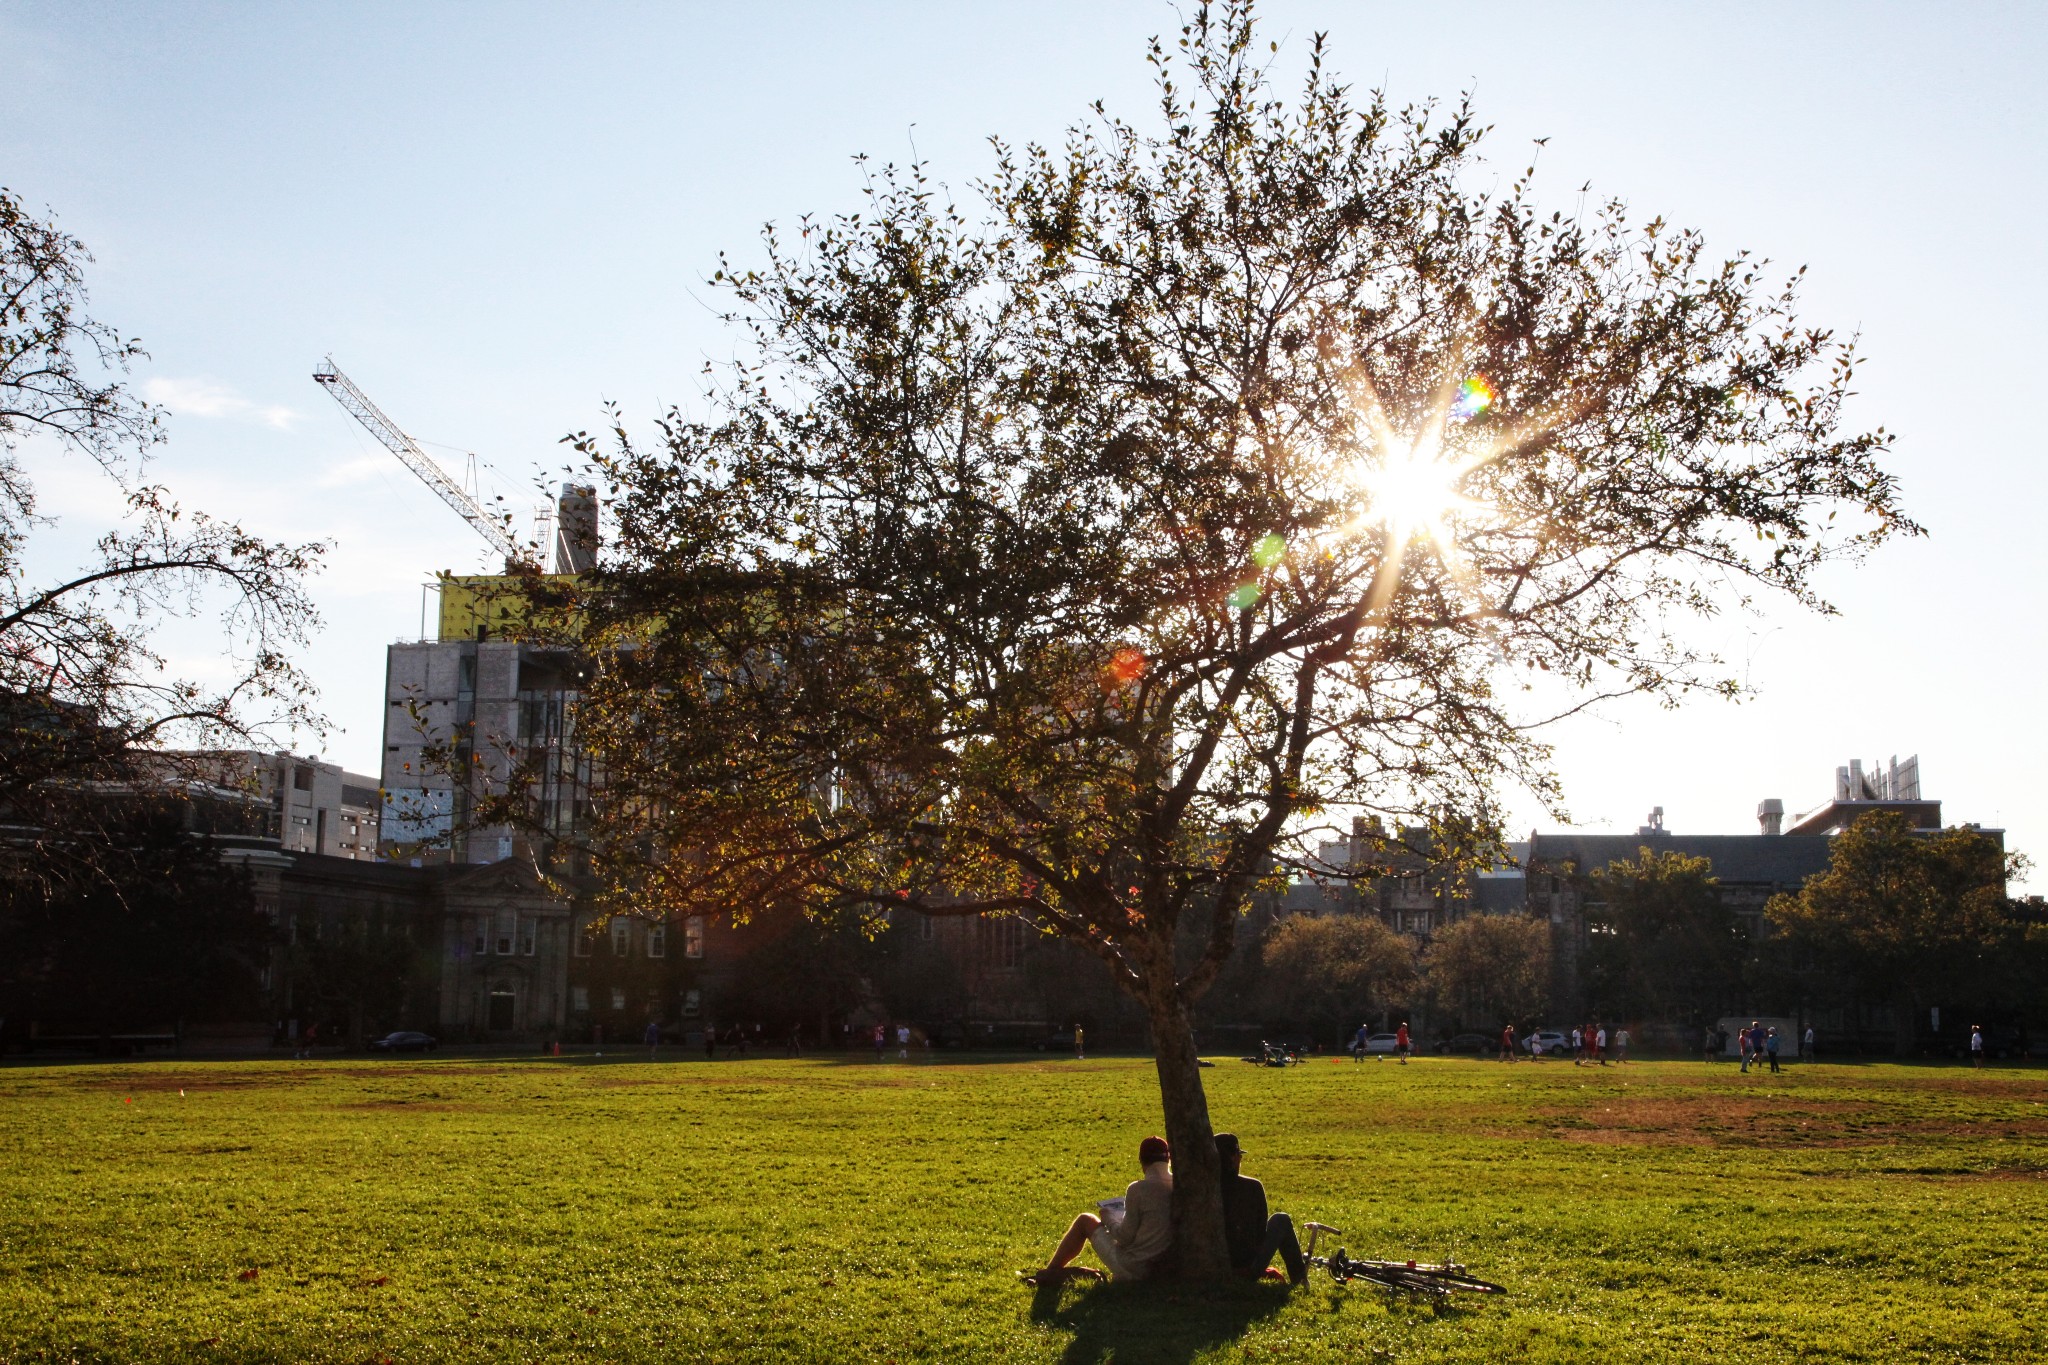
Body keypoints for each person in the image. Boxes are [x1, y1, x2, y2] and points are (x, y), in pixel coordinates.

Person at [1025, 1136, 1174, 1286]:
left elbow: (1124, 1238)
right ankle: (1057, 1275)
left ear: (1142, 1161)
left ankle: (1047, 1274)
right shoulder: (1177, 1184)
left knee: (1085, 1220)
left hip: (1134, 1267)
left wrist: (1107, 1217)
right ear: (1168, 1160)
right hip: (1163, 1268)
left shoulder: (1138, 1189)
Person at [1216, 1132, 1307, 1285]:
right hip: (1247, 1267)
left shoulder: (1205, 1189)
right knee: (1281, 1219)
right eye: (1238, 1154)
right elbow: (1260, 1232)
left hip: (1215, 1268)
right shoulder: (1252, 1187)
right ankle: (1300, 1280)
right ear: (1233, 1158)